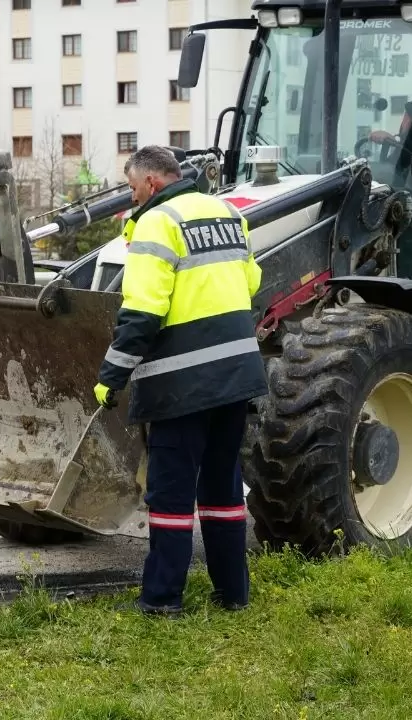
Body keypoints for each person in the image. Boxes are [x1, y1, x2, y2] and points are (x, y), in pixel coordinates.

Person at [93, 145, 269, 615]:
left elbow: (143, 312)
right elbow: (251, 281)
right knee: (223, 490)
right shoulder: (228, 213)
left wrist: (111, 376)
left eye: (132, 188)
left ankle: (161, 599)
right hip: (236, 376)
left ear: (151, 182)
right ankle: (233, 594)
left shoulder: (157, 222)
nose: (132, 198)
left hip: (182, 383)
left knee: (170, 494)